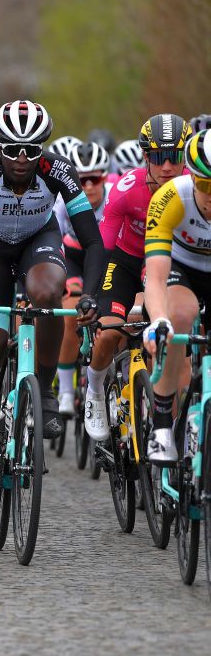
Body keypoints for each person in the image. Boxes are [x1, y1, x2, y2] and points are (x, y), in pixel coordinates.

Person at [0, 100, 102, 530]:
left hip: (37, 243)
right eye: (12, 149)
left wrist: (89, 295)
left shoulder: (58, 172)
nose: (21, 159)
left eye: (31, 150)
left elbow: (92, 243)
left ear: (42, 150)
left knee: (48, 292)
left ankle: (46, 389)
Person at [83, 114, 192, 441]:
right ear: (146, 158)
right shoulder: (125, 191)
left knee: (171, 345)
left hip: (171, 265)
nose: (168, 166)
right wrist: (89, 293)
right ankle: (96, 390)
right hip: (127, 262)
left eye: (176, 157)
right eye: (159, 158)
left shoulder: (193, 189)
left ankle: (173, 431)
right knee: (109, 333)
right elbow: (101, 247)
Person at [140, 129, 211, 464]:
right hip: (181, 267)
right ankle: (163, 422)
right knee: (181, 315)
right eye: (206, 185)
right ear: (192, 177)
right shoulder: (170, 197)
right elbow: (154, 276)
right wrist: (159, 321)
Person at [53, 142, 110, 417]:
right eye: (81, 180)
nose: (87, 186)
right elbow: (54, 243)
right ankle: (65, 391)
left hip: (108, 260)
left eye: (94, 179)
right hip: (75, 259)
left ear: (105, 178)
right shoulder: (64, 203)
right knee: (69, 313)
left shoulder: (114, 200)